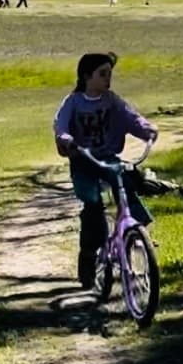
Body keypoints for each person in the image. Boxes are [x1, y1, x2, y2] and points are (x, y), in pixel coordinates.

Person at [53, 52, 157, 289]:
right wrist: (67, 140)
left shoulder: (111, 100)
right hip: (83, 161)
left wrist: (147, 129)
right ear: (86, 76)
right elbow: (61, 127)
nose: (108, 79)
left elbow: (131, 118)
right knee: (92, 204)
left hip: (107, 157)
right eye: (102, 74)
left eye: (110, 74)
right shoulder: (73, 102)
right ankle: (88, 257)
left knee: (124, 183)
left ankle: (138, 231)